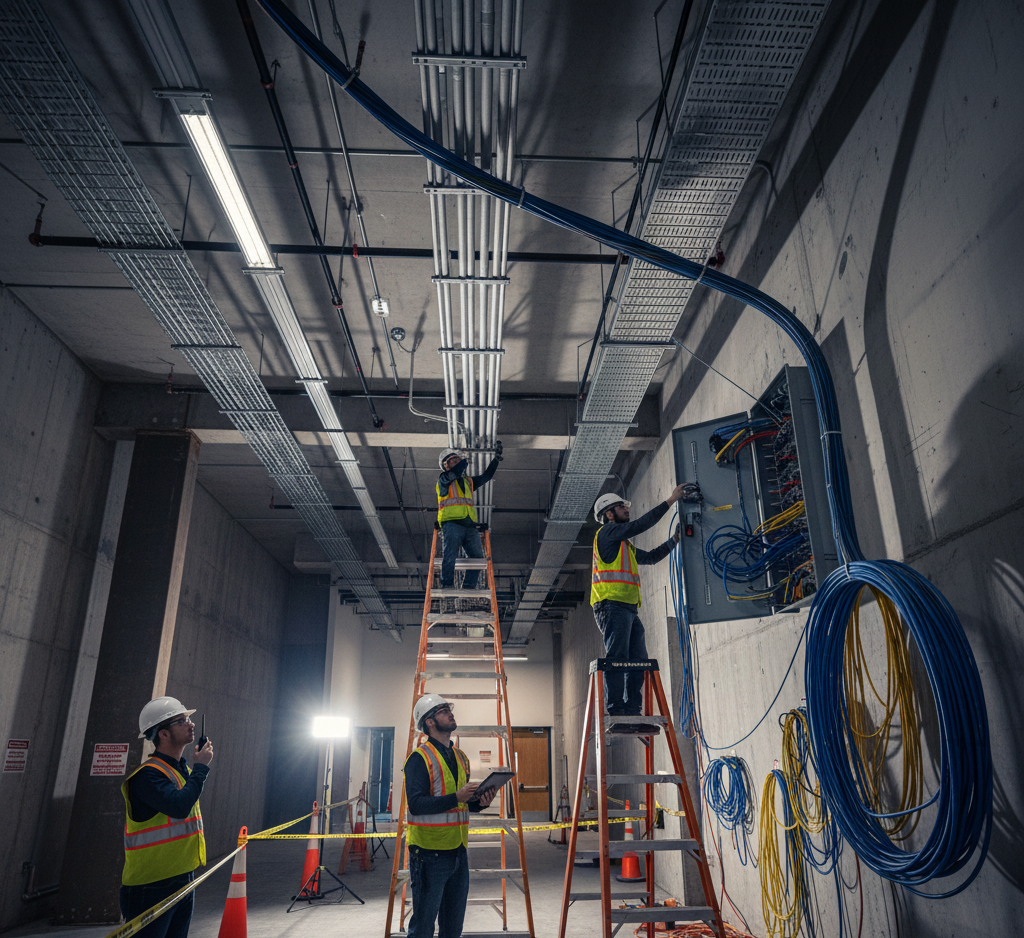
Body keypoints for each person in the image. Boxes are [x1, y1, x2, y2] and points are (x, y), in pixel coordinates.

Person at [591, 484, 699, 730]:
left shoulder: (623, 546)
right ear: (609, 514)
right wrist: (671, 500)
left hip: (627, 609)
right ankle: (616, 714)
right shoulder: (607, 534)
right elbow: (640, 525)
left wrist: (675, 541)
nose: (625, 509)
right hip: (611, 606)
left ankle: (632, 712)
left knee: (638, 660)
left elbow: (649, 557)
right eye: (620, 507)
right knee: (618, 659)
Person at [403, 693, 497, 938]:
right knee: (423, 926)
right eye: (443, 710)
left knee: (453, 927)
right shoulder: (419, 758)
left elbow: (462, 804)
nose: (450, 713)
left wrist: (480, 803)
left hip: (458, 852)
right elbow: (416, 804)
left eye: (448, 708)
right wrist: (457, 796)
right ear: (430, 722)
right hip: (428, 854)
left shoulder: (460, 757)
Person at [120, 697, 214, 938]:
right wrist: (202, 768)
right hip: (150, 885)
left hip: (181, 877)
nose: (190, 724)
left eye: (189, 719)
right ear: (163, 734)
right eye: (181, 721)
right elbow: (179, 807)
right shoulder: (147, 776)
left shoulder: (181, 770)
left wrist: (196, 770)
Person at [435, 444, 502, 596]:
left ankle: (468, 587)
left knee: (477, 558)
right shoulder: (444, 480)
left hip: (469, 526)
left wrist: (496, 460)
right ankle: (447, 586)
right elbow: (455, 473)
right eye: (453, 460)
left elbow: (486, 477)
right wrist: (464, 461)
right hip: (451, 523)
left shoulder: (468, 482)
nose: (457, 462)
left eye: (457, 459)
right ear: (446, 466)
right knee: (450, 554)